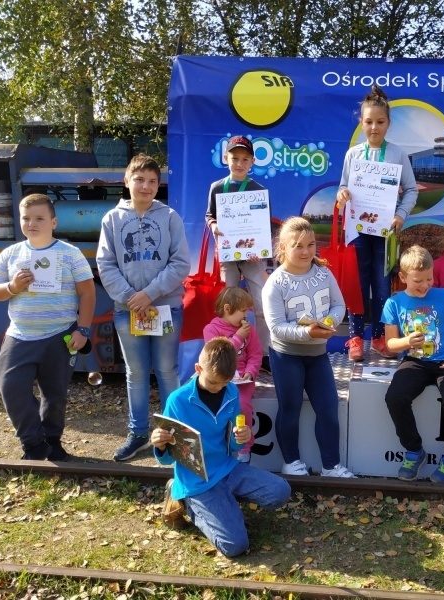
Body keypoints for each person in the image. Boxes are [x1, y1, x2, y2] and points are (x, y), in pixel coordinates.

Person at [152, 338, 290, 556]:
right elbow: (167, 459)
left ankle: (222, 505)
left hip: (227, 467)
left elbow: (232, 444)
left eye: (224, 383)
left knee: (280, 491)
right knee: (235, 547)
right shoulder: (177, 401)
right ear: (198, 369)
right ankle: (184, 501)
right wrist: (160, 445)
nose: (218, 389)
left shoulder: (231, 391)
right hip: (197, 480)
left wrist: (242, 436)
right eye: (214, 382)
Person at [0, 193, 95, 461]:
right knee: (11, 387)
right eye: (26, 218)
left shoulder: (71, 254)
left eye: (39, 218)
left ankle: (52, 442)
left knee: (55, 395)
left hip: (60, 335)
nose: (32, 224)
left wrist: (82, 330)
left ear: (53, 221)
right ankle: (33, 444)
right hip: (20, 336)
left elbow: (88, 294)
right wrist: (12, 287)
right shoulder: (11, 254)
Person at [97, 153, 190, 462]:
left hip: (165, 309)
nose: (146, 186)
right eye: (139, 180)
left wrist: (149, 294)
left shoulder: (170, 217)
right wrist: (129, 297)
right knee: (136, 373)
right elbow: (105, 264)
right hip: (127, 311)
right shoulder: (112, 219)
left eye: (153, 181)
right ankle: (138, 434)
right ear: (127, 181)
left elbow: (180, 263)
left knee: (167, 371)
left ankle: (171, 435)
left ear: (159, 185)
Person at [261, 217, 355, 478]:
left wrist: (328, 322)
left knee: (328, 407)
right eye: (298, 246)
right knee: (289, 407)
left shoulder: (324, 273)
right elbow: (277, 327)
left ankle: (331, 465)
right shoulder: (275, 284)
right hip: (286, 355)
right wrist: (307, 332)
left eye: (311, 244)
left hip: (317, 354)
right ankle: (290, 462)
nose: (305, 251)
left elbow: (339, 305)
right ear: (283, 248)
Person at [336, 84, 418, 362]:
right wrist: (343, 194)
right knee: (358, 285)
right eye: (368, 121)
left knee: (382, 287)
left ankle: (380, 338)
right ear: (361, 123)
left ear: (388, 124)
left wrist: (400, 215)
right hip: (357, 231)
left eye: (380, 122)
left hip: (385, 232)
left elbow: (412, 190)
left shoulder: (397, 154)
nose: (374, 127)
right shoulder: (353, 154)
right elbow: (342, 188)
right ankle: (356, 337)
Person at [382, 245, 444, 483]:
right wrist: (406, 341)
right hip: (415, 362)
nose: (424, 285)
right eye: (417, 280)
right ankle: (414, 450)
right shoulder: (394, 303)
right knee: (395, 397)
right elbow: (390, 343)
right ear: (402, 277)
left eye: (429, 279)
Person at [206, 135, 271, 374]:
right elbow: (209, 215)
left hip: (253, 258)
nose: (239, 163)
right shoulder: (217, 187)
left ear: (252, 161)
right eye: (234, 158)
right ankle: (230, 353)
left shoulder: (259, 190)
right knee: (229, 307)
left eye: (245, 159)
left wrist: (260, 247)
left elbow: (264, 224)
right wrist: (213, 226)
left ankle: (264, 354)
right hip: (228, 257)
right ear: (226, 159)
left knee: (262, 305)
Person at [203, 286, 262, 463]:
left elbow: (255, 354)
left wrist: (250, 372)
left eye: (247, 310)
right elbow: (217, 356)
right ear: (227, 309)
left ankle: (244, 449)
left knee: (242, 404)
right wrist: (237, 338)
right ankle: (216, 445)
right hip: (218, 377)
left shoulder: (249, 329)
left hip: (242, 380)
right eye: (243, 310)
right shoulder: (211, 329)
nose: (246, 315)